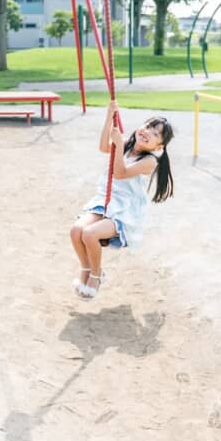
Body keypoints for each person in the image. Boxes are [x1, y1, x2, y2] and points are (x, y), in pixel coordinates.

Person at [69, 100, 175, 300]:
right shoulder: (127, 144)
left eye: (155, 134)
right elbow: (103, 147)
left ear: (159, 146)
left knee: (90, 234)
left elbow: (120, 172)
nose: (147, 132)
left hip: (125, 210)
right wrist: (109, 116)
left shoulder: (149, 161)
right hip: (105, 200)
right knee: (76, 231)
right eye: (148, 126)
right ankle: (86, 268)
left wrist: (118, 145)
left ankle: (96, 274)